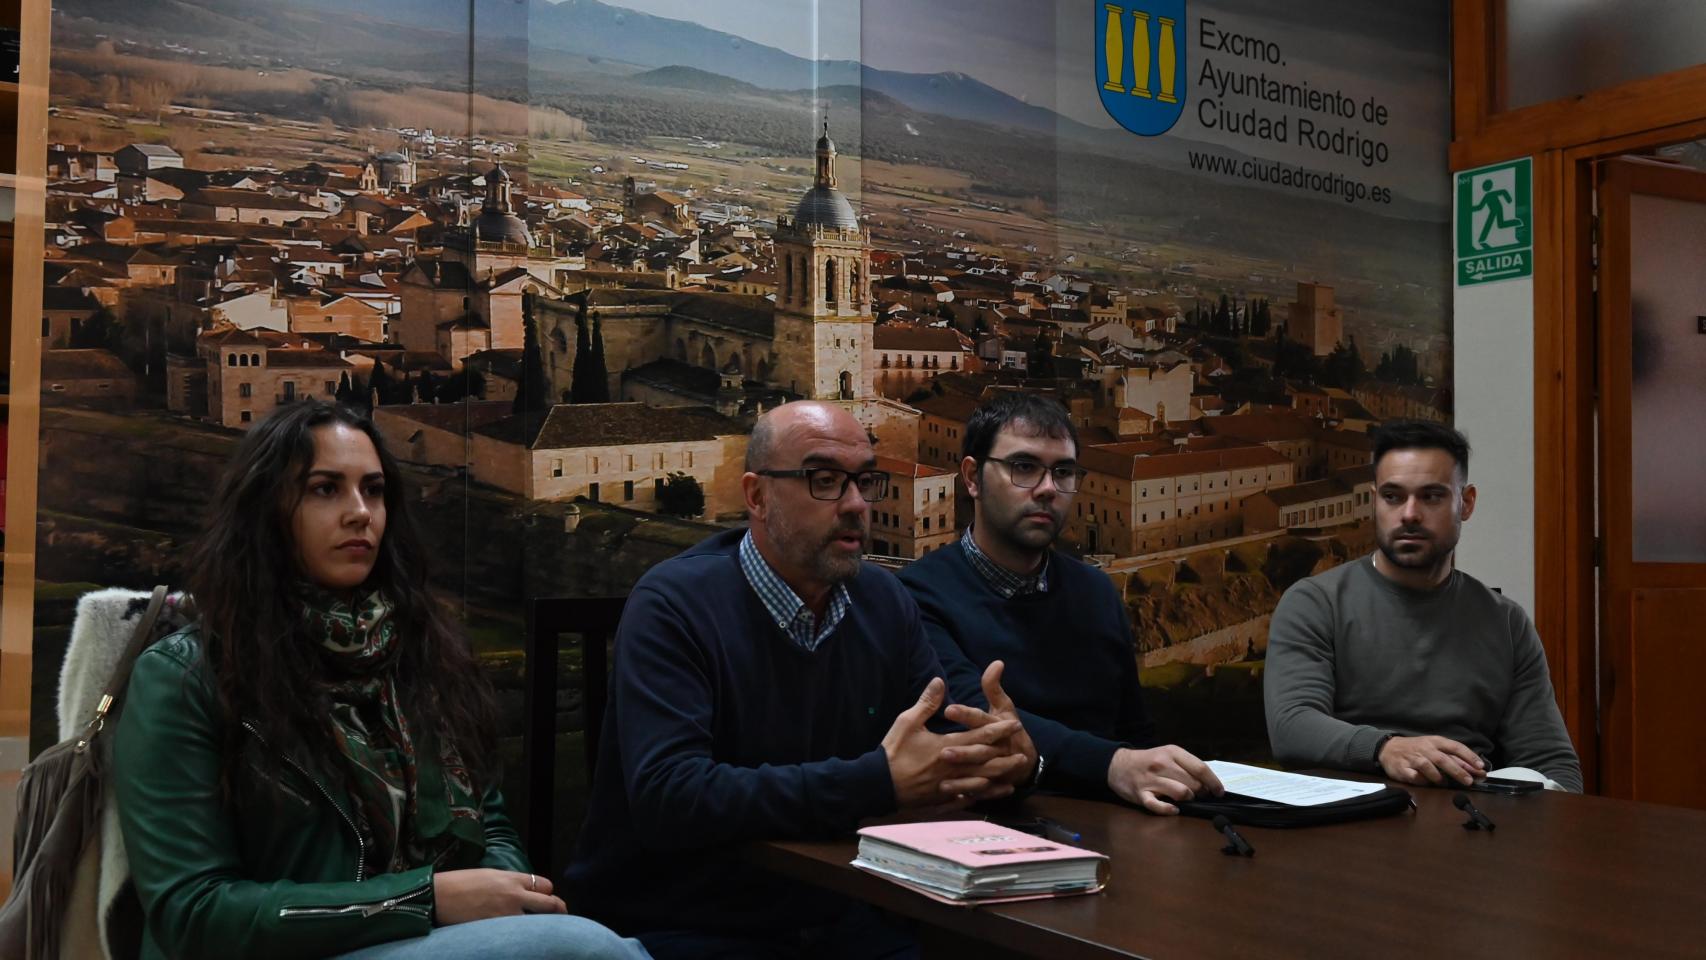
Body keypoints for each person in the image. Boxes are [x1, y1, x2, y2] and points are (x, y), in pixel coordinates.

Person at [113, 400, 650, 960]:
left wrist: (506, 897)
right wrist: (423, 901)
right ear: (266, 507)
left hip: (436, 941)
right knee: (591, 950)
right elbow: (193, 911)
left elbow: (491, 828)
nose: (359, 512)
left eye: (373, 490)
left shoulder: (418, 651)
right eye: (325, 489)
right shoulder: (185, 679)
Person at [566, 401, 1034, 959]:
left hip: (843, 916)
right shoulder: (674, 605)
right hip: (684, 926)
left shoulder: (883, 601)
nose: (857, 505)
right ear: (757, 496)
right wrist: (874, 783)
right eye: (825, 481)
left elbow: (937, 745)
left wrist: (1003, 757)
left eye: (865, 481)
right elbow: (671, 796)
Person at [900, 392, 1223, 813]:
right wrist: (1114, 764)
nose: (1049, 489)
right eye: (1024, 468)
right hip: (992, 828)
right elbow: (972, 715)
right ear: (972, 478)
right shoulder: (916, 595)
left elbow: (1135, 732)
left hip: (1119, 824)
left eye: (1063, 472)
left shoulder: (1095, 592)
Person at [1264, 419, 1583, 791]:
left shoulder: (1506, 621)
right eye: (1393, 496)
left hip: (1472, 819)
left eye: (1431, 496)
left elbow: (1553, 763)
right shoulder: (1315, 603)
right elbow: (1292, 727)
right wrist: (1386, 748)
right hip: (1349, 818)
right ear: (1374, 501)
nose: (1410, 514)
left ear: (1466, 503)